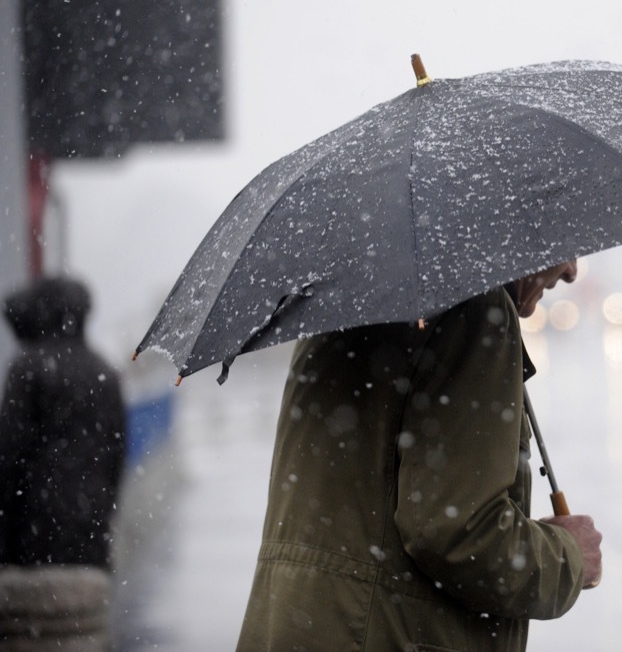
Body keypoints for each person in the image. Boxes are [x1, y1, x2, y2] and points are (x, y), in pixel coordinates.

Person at [237, 260, 602, 652]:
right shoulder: (473, 307)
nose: (571, 272)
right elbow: (457, 532)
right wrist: (568, 556)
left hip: (292, 627)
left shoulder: (345, 299)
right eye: (566, 250)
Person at [0, 276, 127, 648]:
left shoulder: (28, 367)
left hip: (33, 542)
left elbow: (8, 460)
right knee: (84, 634)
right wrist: (100, 513)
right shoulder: (105, 370)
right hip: (90, 539)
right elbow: (117, 457)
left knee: (33, 636)